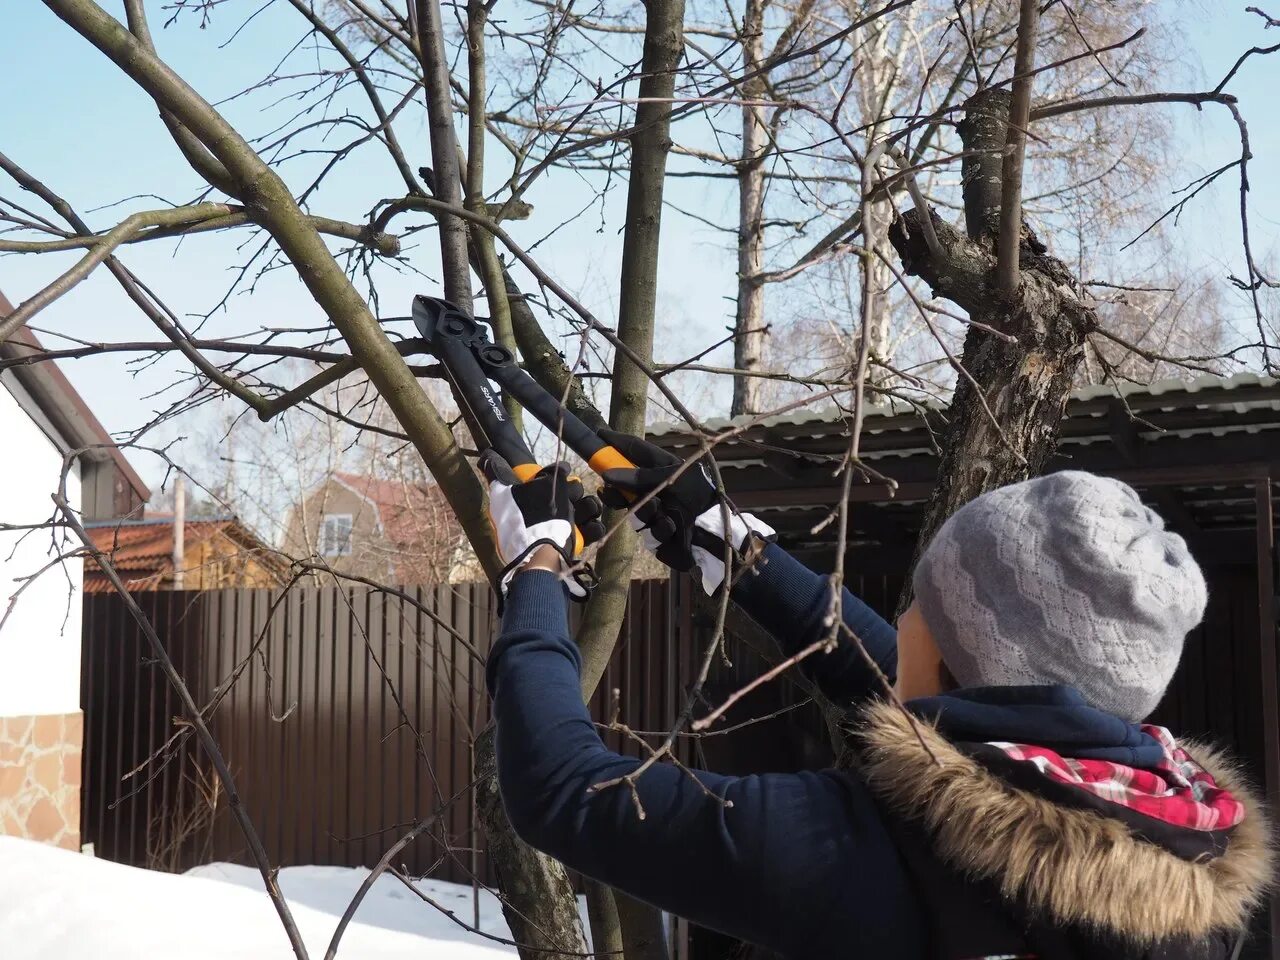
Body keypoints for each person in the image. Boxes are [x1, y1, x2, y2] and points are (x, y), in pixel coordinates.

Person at [478, 433, 1272, 960]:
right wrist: (742, 551)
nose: (906, 617)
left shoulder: (856, 852)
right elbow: (934, 697)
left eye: (923, 603)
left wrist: (536, 568)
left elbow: (561, 787)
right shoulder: (1178, 838)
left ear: (964, 645)